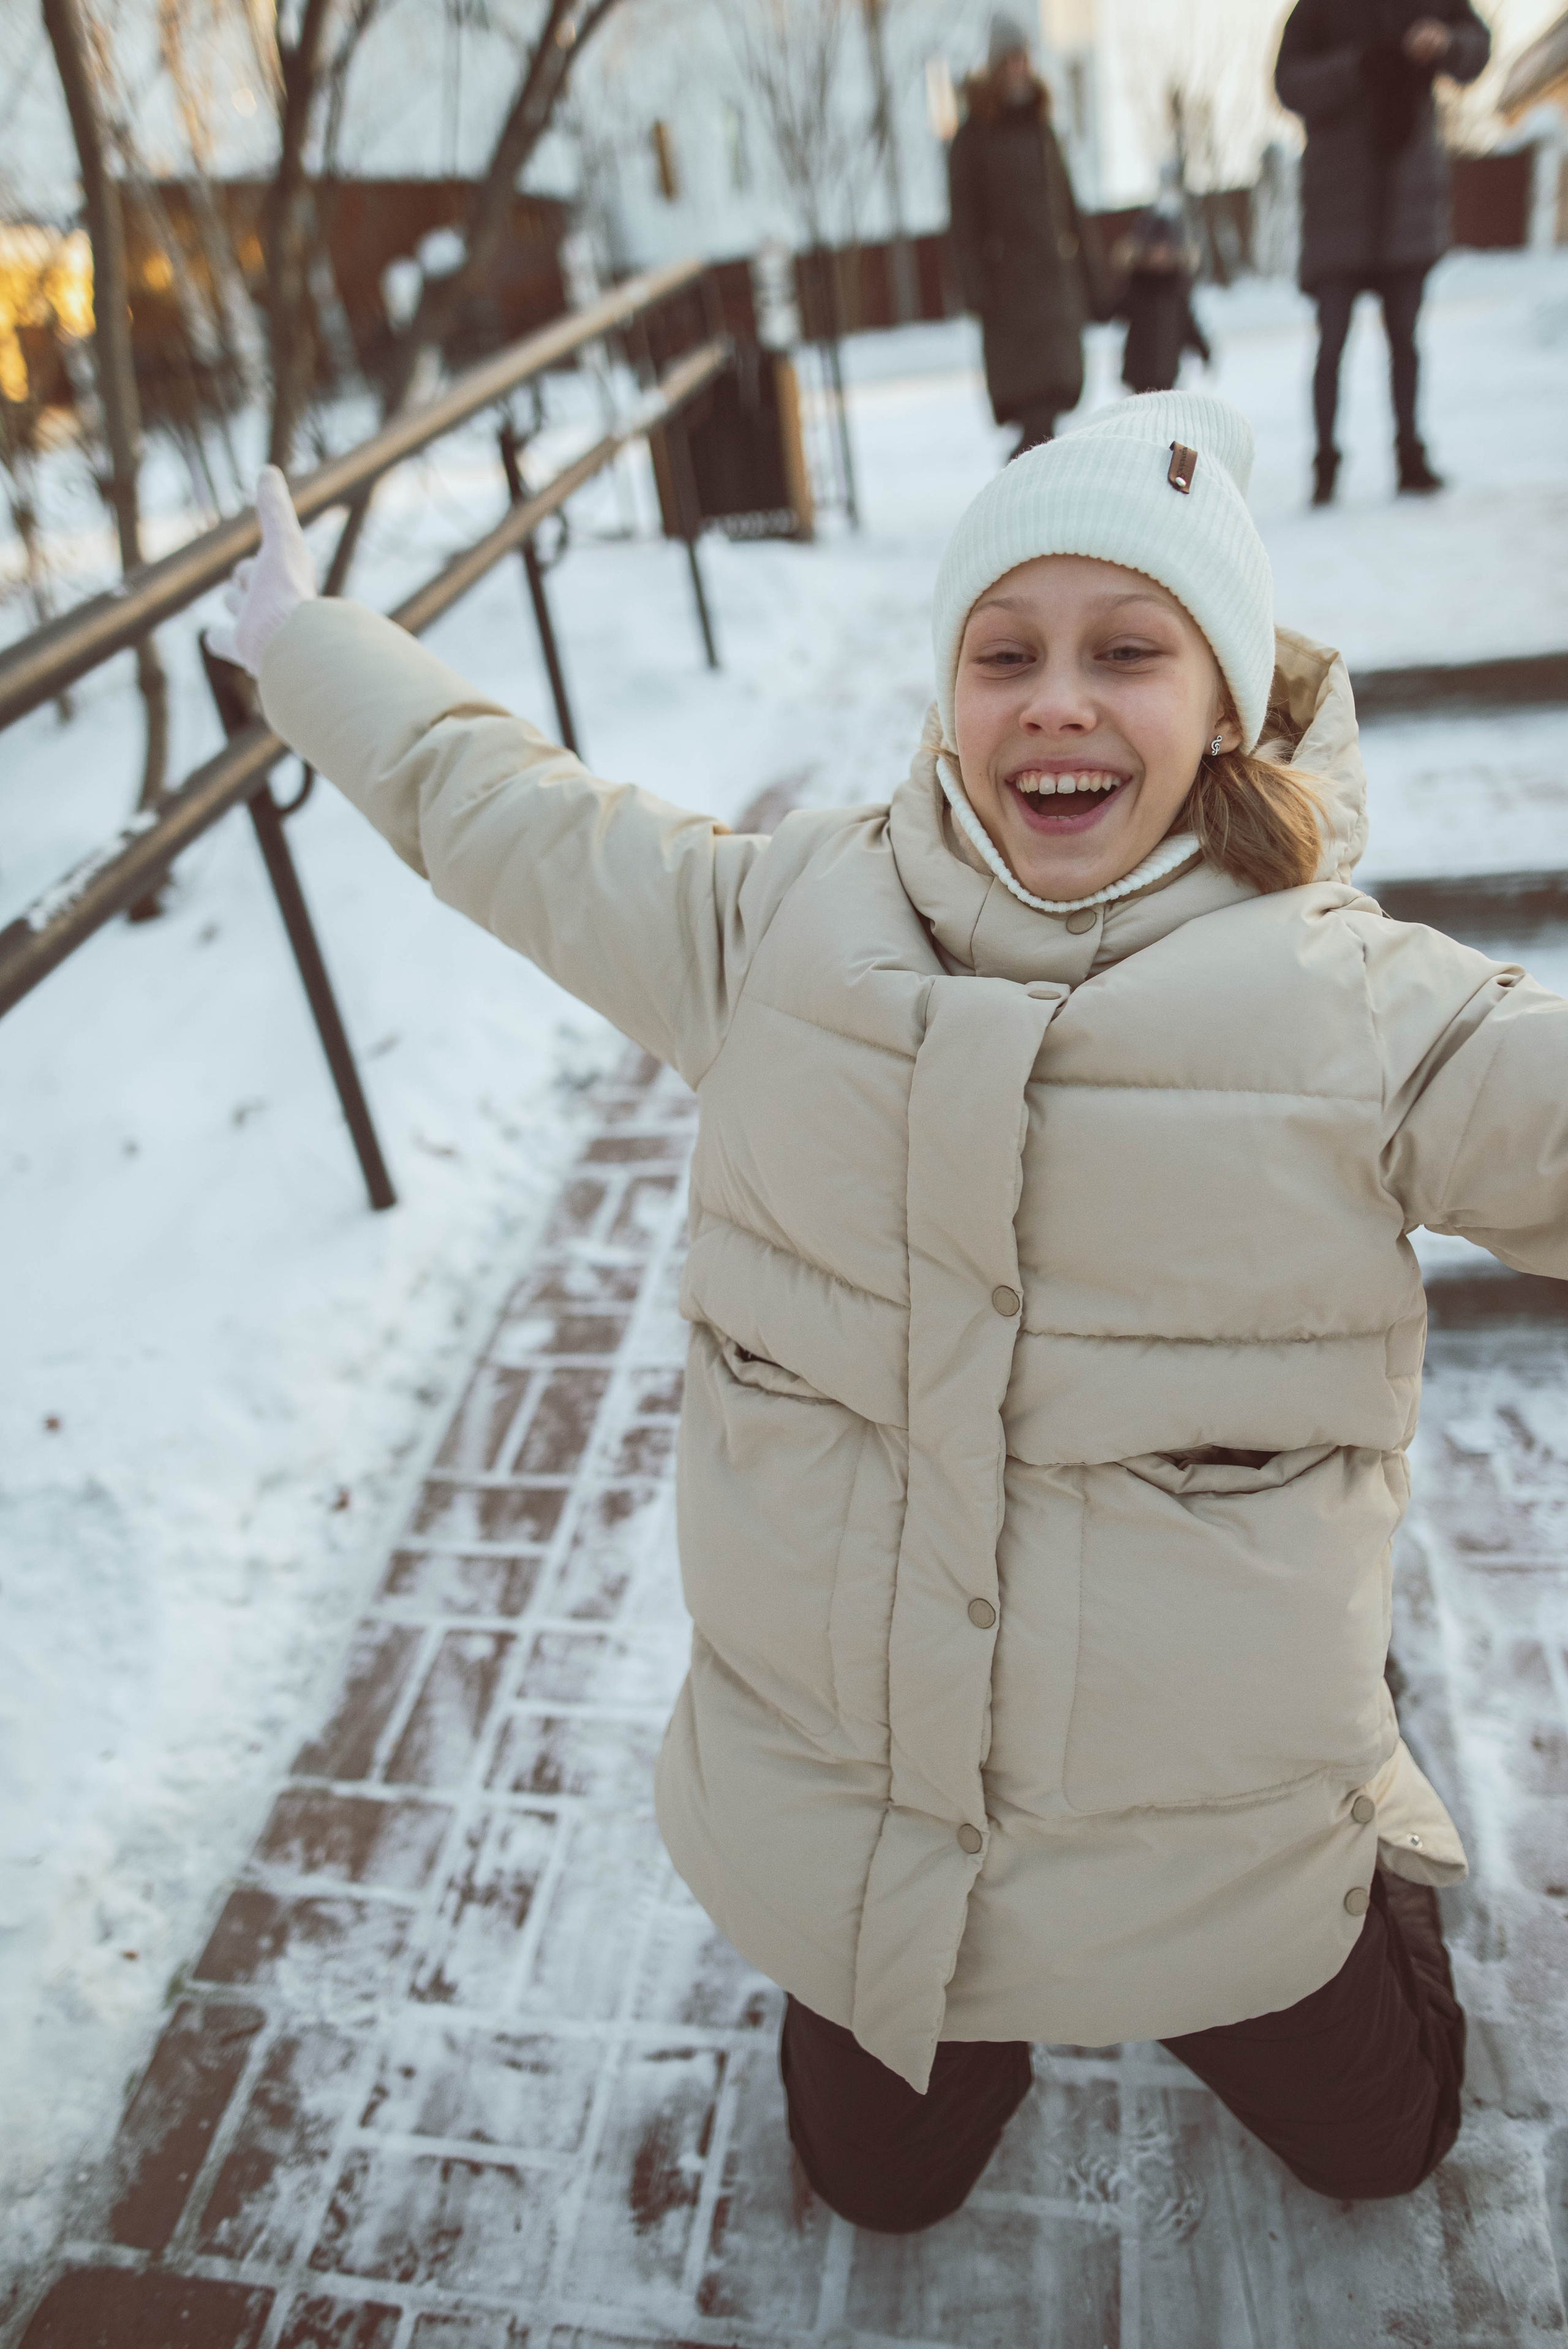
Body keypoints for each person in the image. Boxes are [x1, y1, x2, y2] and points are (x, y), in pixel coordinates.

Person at [214, 384, 1568, 2230]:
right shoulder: (782, 930)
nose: (1058, 699)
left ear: (1228, 704)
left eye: (1127, 650)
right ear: (948, 696)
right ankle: (982, 1990)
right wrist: (304, 649)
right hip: (876, 1828)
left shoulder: (1366, 1017)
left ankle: (1361, 1755)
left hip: (1217, 1836)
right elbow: (505, 813)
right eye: (1002, 651)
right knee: (873, 2192)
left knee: (1387, 2147)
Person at [1275, 0, 1491, 505]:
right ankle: (1325, 465)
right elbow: (1289, 83)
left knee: (1406, 343)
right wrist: (1357, 66)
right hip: (1338, 206)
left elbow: (1476, 49)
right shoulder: (1317, 9)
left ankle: (1410, 457)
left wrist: (1446, 42)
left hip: (1405, 202)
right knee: (1330, 347)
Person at [948, 12, 1095, 458]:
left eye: (1022, 59)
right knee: (1034, 405)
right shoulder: (973, 138)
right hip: (1008, 293)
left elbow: (1070, 209)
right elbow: (963, 222)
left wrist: (1092, 276)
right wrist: (976, 288)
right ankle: (1029, 489)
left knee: (1052, 398)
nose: (1017, 69)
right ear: (994, 68)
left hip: (1053, 287)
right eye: (1008, 61)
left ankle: (1032, 488)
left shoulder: (1041, 128)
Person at [1114, 203, 1212, 395]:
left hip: (1168, 374)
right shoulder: (1135, 284)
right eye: (1154, 249)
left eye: (1166, 249)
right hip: (1138, 376)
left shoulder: (1178, 287)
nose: (1160, 255)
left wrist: (1203, 349)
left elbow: (1187, 324)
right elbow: (1108, 310)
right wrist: (1119, 273)